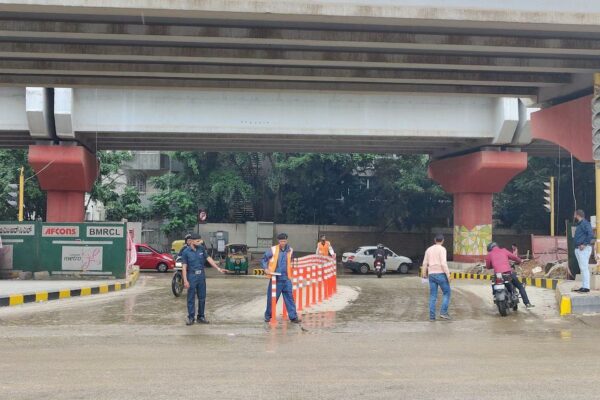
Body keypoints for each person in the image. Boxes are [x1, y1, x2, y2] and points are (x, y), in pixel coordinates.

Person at [181, 233, 225, 325]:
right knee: (191, 298)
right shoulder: (186, 252)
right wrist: (185, 280)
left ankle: (201, 316)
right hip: (191, 276)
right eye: (197, 241)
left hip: (201, 276)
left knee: (202, 297)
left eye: (200, 241)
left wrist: (218, 268)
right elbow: (184, 267)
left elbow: (209, 259)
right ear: (192, 241)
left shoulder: (201, 249)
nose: (200, 242)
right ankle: (191, 317)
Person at [262, 233, 301, 324]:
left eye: (284, 241)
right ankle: (268, 316)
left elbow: (292, 262)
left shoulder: (290, 250)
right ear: (278, 241)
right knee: (272, 298)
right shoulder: (273, 249)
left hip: (287, 278)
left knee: (290, 298)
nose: (283, 243)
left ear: (287, 240)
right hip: (276, 278)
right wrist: (266, 268)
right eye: (281, 241)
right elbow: (264, 259)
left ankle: (293, 317)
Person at [485, 242, 534, 308]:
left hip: (498, 275)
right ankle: (527, 303)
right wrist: (520, 261)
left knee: (494, 282)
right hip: (508, 273)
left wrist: (494, 265)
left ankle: (495, 295)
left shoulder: (489, 254)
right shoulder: (504, 250)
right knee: (520, 286)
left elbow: (488, 266)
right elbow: (514, 257)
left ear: (490, 249)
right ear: (497, 246)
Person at [421, 234, 451, 321]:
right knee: (447, 293)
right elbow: (443, 263)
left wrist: (424, 274)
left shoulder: (428, 249)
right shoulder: (442, 249)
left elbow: (424, 263)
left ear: (435, 240)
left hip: (431, 275)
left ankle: (432, 317)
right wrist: (448, 275)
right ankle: (443, 312)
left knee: (433, 296)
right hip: (441, 274)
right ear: (442, 240)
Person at [573, 210, 594, 293]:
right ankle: (584, 286)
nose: (574, 215)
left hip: (583, 249)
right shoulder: (580, 224)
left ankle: (586, 287)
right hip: (579, 249)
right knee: (582, 268)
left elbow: (591, 234)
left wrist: (584, 244)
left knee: (584, 268)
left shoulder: (585, 223)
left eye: (574, 214)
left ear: (577, 215)